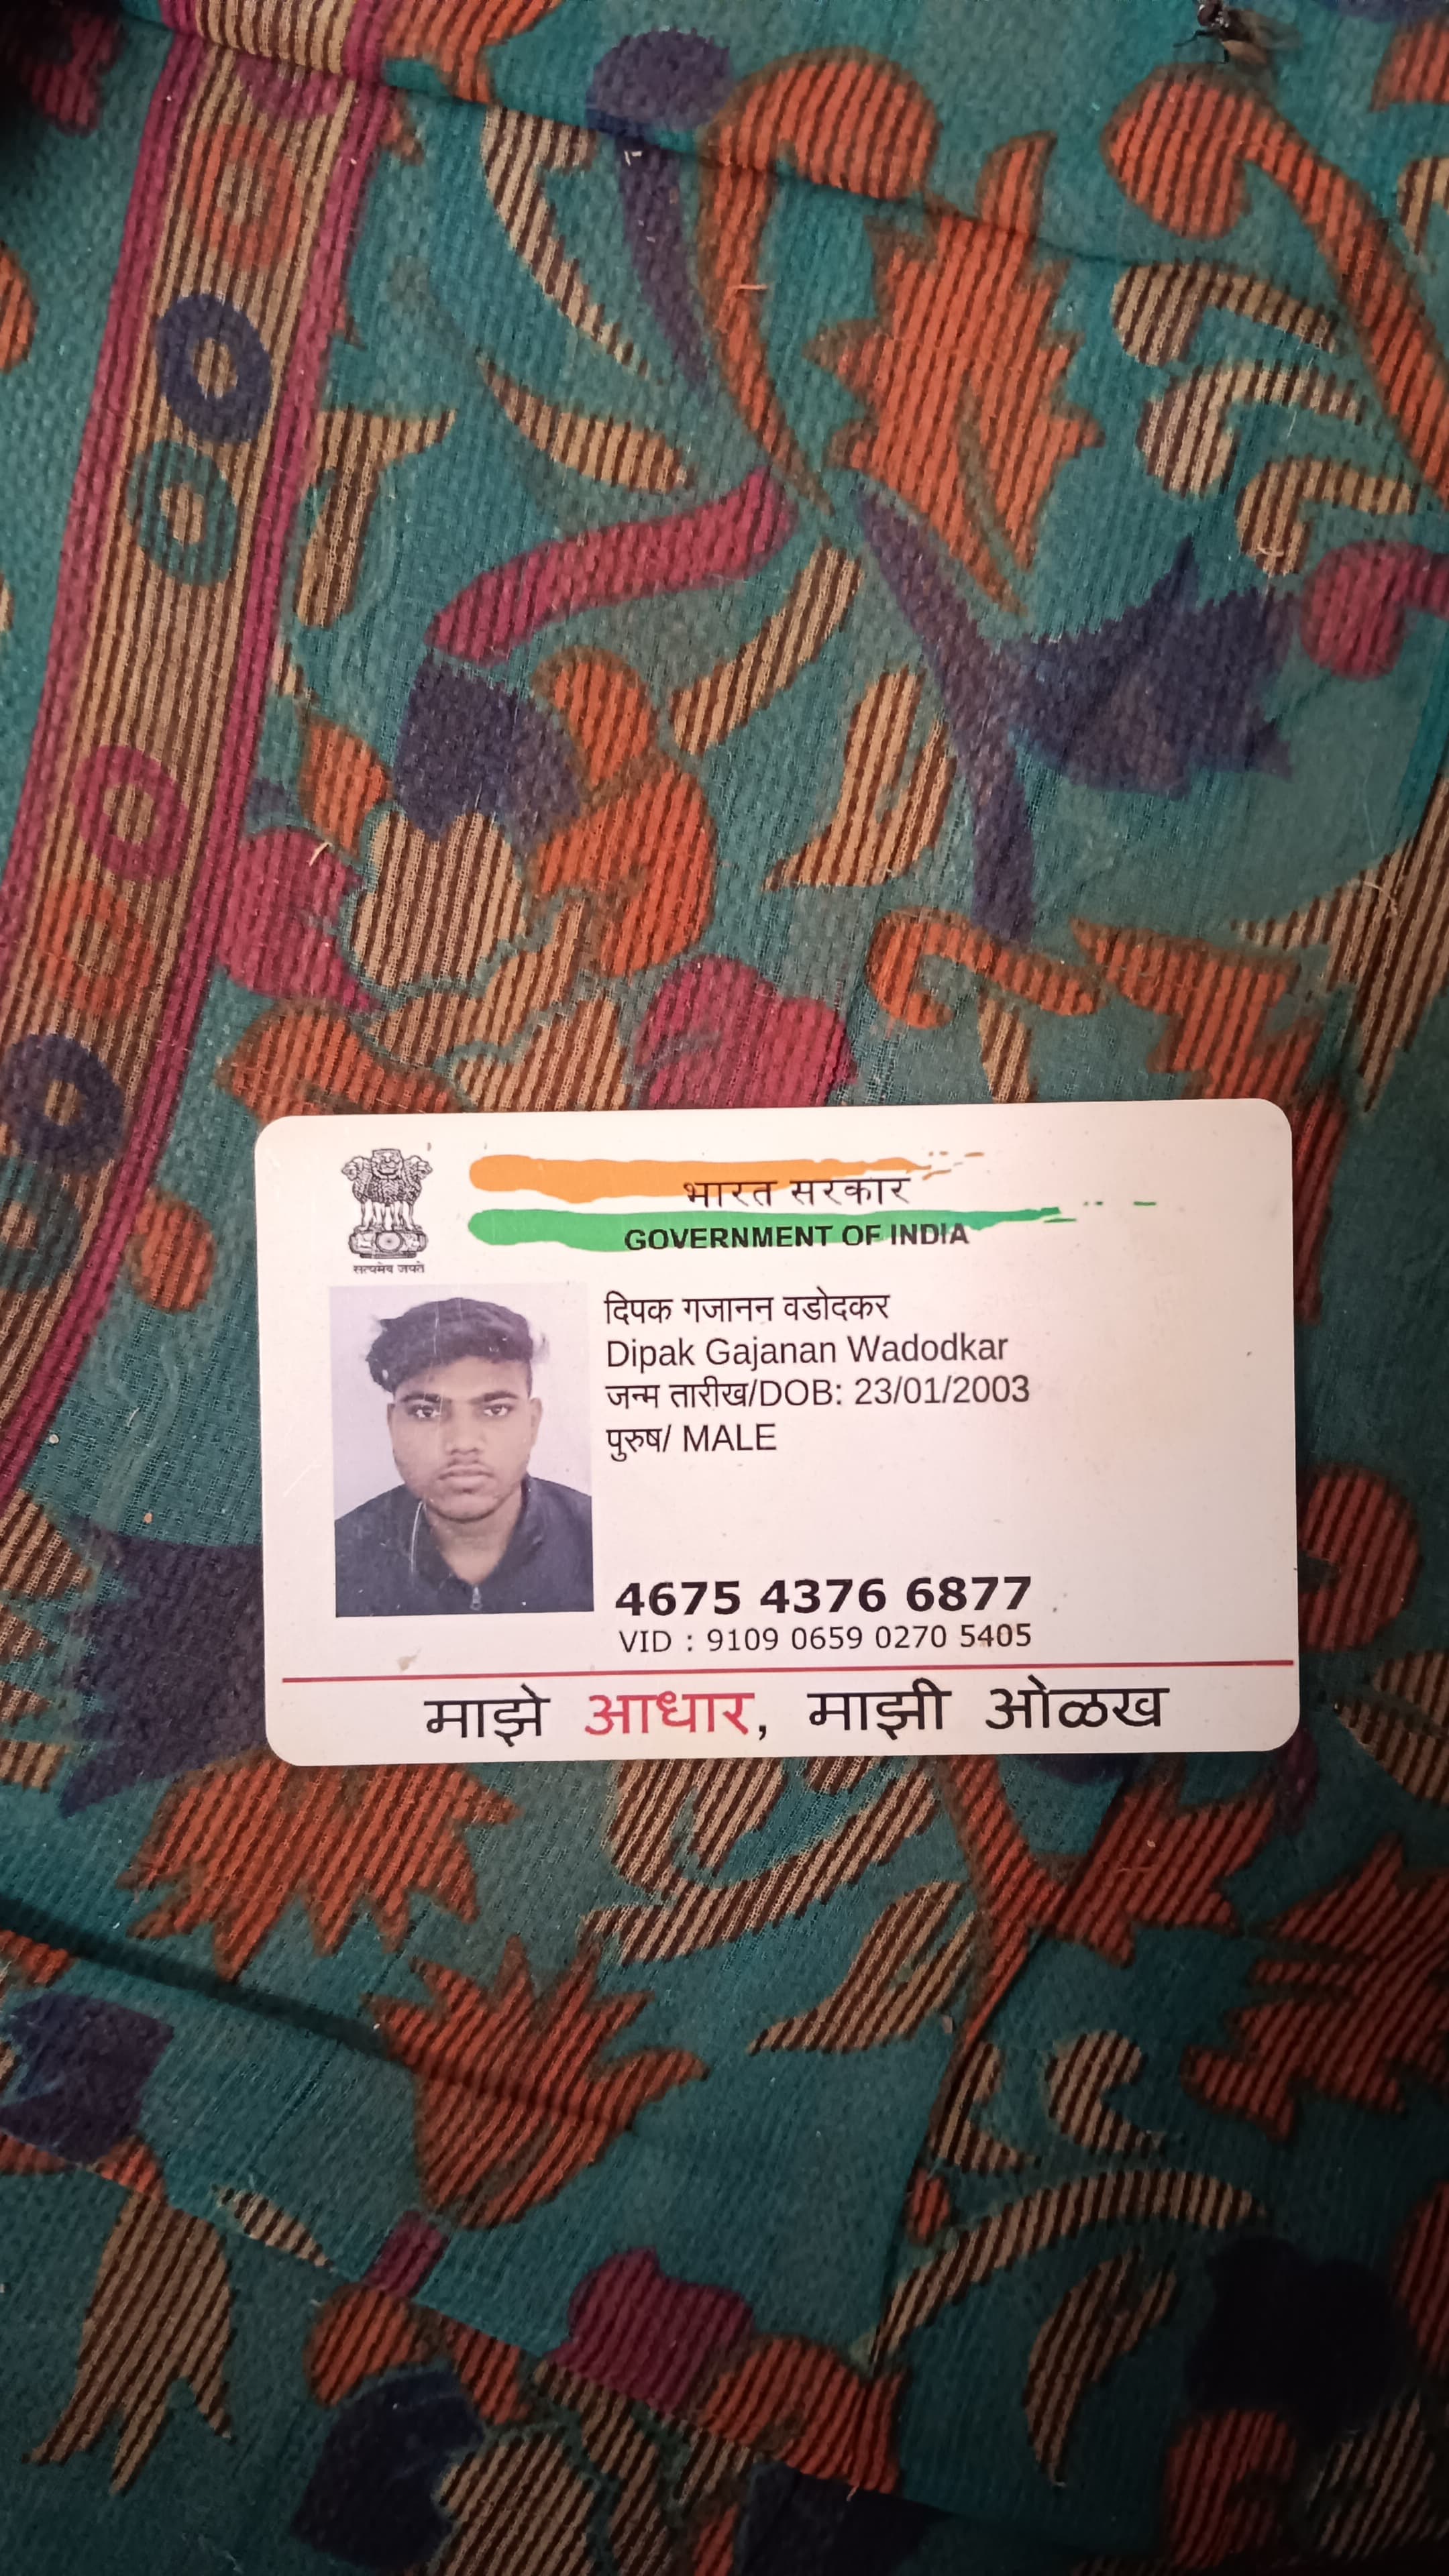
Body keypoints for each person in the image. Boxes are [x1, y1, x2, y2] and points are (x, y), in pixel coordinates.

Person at [334, 1297, 592, 1616]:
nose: (462, 1442)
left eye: (496, 1410)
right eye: (426, 1412)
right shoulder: (336, 1556)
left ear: (533, 1422)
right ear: (392, 1425)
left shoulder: (601, 1539)